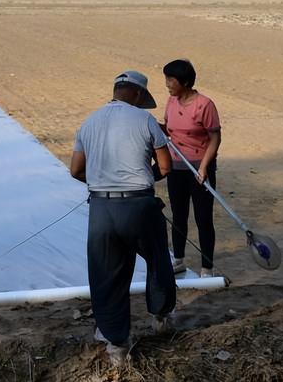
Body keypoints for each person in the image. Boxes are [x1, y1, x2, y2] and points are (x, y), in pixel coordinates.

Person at [70, 70, 176, 366]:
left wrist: (103, 182)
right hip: (139, 205)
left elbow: (76, 170)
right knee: (157, 259)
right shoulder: (145, 121)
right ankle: (161, 317)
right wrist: (142, 179)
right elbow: (165, 167)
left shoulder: (89, 121)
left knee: (106, 275)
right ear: (139, 95)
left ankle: (115, 343)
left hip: (101, 209)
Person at [162, 59, 221, 278]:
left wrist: (204, 167)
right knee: (179, 215)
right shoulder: (171, 101)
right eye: (166, 79)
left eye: (171, 80)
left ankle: (207, 267)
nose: (167, 84)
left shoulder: (204, 105)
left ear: (185, 82)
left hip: (200, 168)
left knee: (203, 217)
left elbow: (215, 138)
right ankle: (178, 260)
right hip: (177, 167)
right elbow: (168, 130)